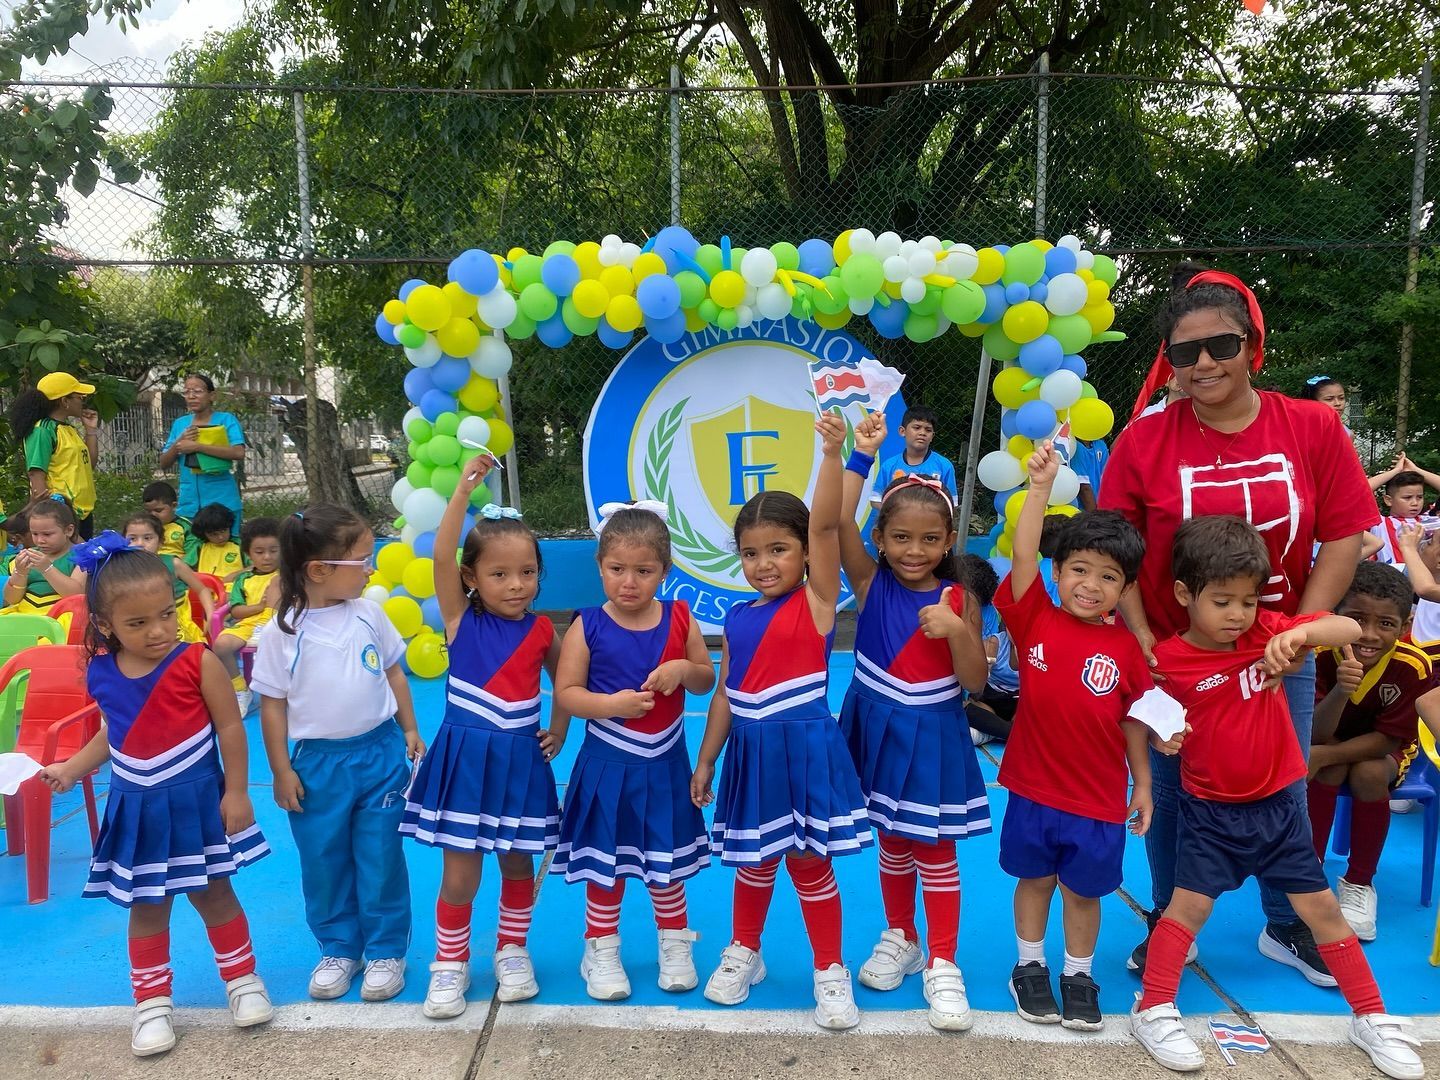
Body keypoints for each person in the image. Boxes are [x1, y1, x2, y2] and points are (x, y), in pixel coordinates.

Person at [1102, 264, 1378, 984]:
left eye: (1220, 345)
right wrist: (1143, 637)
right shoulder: (1143, 441)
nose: (1203, 363)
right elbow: (1116, 550)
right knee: (1171, 788)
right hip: (1175, 655)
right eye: (1184, 351)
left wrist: (1303, 628)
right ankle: (1170, 920)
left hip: (1277, 650)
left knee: (1281, 784)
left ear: (1252, 346)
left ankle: (1287, 923)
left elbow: (1345, 533)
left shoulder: (1311, 425)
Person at [1129, 516, 1422, 1080]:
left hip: (1280, 812)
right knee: (1185, 911)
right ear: (1185, 594)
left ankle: (1370, 1015)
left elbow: (1343, 625)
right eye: (1222, 601)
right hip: (1211, 812)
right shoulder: (1169, 660)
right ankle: (1153, 1007)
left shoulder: (1267, 630)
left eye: (1247, 600)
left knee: (1324, 912)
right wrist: (1164, 738)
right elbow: (1148, 721)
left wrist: (1298, 635)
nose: (1237, 614)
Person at [38, 534, 272, 1058]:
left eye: (166, 614)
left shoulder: (197, 661)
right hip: (137, 807)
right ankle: (151, 1003)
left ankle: (243, 981)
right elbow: (113, 733)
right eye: (138, 623)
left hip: (196, 801)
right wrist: (71, 768)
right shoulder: (100, 670)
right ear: (105, 625)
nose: (159, 630)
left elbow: (230, 728)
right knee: (147, 907)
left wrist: (237, 791)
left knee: (215, 895)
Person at [691, 412, 872, 1030]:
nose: (763, 563)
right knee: (754, 862)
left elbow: (824, 522)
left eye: (778, 549)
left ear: (805, 553)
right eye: (750, 553)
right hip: (751, 757)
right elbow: (725, 694)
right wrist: (707, 758)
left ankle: (829, 969)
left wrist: (838, 455)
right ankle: (745, 950)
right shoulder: (737, 618)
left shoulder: (817, 601)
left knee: (809, 864)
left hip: (805, 755)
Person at [998, 443, 1165, 1032]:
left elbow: (1133, 721)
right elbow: (1022, 551)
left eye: (1109, 577)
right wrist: (1040, 487)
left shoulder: (1127, 649)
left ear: (1125, 588)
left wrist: (1143, 783)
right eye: (1079, 570)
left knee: (1083, 892)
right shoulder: (1034, 617)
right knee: (1035, 880)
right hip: (1033, 789)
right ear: (1057, 571)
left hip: (1096, 799)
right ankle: (1029, 966)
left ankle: (1077, 974)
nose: (1091, 585)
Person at [833, 410, 988, 1031]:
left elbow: (975, 682)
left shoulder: (958, 598)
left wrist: (957, 631)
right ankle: (902, 935)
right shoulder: (868, 581)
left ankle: (943, 960)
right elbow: (834, 522)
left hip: (932, 732)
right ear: (879, 537)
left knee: (935, 846)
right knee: (893, 840)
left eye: (929, 540)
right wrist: (860, 455)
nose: (914, 551)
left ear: (948, 542)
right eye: (900, 537)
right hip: (874, 723)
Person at [399, 461, 564, 1019]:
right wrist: (462, 491)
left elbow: (567, 684)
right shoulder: (459, 620)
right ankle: (450, 962)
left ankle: (512, 951)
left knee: (518, 865)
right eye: (499, 574)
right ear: (471, 577)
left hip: (520, 761)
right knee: (461, 872)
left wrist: (559, 728)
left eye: (527, 572)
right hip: (466, 763)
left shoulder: (543, 630)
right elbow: (440, 557)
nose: (516, 584)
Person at [253, 506, 423, 1006]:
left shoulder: (369, 613)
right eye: (362, 560)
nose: (371, 569)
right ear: (319, 569)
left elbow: (393, 672)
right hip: (317, 766)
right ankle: (339, 948)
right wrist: (281, 769)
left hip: (380, 756)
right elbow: (272, 706)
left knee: (380, 855)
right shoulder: (283, 631)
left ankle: (386, 950)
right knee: (323, 860)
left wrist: (409, 728)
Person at [551, 502, 715, 1001]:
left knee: (667, 863)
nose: (629, 582)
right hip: (608, 766)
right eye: (617, 568)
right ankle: (600, 947)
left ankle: (674, 942)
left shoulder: (681, 618)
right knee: (607, 865)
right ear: (600, 566)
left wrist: (682, 670)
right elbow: (566, 693)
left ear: (665, 570)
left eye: (644, 571)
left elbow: (706, 680)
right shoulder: (586, 625)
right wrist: (612, 705)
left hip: (665, 766)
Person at [1306, 562, 1434, 942]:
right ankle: (1308, 874)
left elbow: (1388, 741)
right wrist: (1341, 690)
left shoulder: (1413, 665)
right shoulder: (1318, 653)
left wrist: (1325, 755)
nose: (1370, 634)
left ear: (1406, 625)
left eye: (1386, 623)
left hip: (1380, 750)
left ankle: (1360, 882)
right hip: (1327, 739)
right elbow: (1316, 732)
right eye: (1357, 619)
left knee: (1367, 772)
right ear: (1336, 616)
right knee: (1328, 767)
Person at [10, 372, 99, 539]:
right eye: (79, 397)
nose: (83, 400)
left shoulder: (68, 429)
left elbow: (89, 464)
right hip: (61, 514)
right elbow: (36, 474)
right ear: (64, 401)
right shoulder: (43, 430)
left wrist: (91, 431)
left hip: (82, 511)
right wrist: (48, 516)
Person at [159, 374, 246, 530]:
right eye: (186, 392)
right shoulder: (180, 424)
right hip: (189, 505)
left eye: (197, 391)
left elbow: (238, 452)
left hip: (222, 502)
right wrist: (179, 442)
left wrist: (197, 447)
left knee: (226, 543)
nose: (191, 396)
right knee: (191, 544)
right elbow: (164, 463)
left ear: (212, 395)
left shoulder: (226, 420)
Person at [214, 518, 281, 716]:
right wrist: (259, 606)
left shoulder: (286, 574)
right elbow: (236, 611)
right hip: (251, 624)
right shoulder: (244, 579)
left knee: (278, 582)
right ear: (248, 554)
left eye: (274, 550)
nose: (267, 557)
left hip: (282, 622)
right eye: (259, 552)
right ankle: (240, 689)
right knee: (221, 645)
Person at [118, 512, 215, 645]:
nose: (140, 544)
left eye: (147, 538)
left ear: (160, 542)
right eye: (132, 539)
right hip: (139, 625)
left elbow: (202, 590)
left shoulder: (174, 564)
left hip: (177, 625)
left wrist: (211, 615)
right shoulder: (120, 570)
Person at [958, 553, 1015, 744]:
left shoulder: (987, 613)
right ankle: (1009, 733)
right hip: (982, 697)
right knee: (967, 708)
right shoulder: (994, 638)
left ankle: (999, 732)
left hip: (1008, 703)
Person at [1, 496, 86, 614]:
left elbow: (76, 595)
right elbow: (11, 599)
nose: (40, 540)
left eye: (47, 534)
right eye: (35, 534)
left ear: (69, 530)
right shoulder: (28, 555)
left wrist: (47, 569)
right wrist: (20, 573)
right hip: (24, 617)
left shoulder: (82, 557)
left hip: (62, 617)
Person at [875, 405, 958, 499]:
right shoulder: (889, 466)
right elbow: (876, 499)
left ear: (932, 436)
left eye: (928, 430)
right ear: (902, 431)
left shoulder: (944, 466)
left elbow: (951, 502)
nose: (922, 433)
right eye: (917, 428)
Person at [1366, 470, 1438, 567]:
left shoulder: (1430, 521)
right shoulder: (1379, 523)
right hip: (1391, 574)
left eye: (1419, 497)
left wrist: (1416, 470)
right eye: (1407, 498)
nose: (1415, 503)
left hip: (1423, 575)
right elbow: (1358, 491)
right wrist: (1395, 471)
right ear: (1388, 500)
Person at [143, 481, 197, 564]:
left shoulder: (186, 527)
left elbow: (192, 554)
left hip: (176, 568)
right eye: (148, 511)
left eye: (158, 510)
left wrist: (181, 567)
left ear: (174, 506)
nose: (153, 515)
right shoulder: (143, 527)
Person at [192, 504, 242, 580]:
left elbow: (255, 566)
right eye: (214, 534)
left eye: (224, 531)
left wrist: (236, 575)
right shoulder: (200, 546)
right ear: (204, 534)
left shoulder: (241, 544)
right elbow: (184, 567)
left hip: (235, 585)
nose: (220, 537)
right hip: (205, 586)